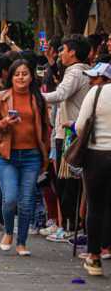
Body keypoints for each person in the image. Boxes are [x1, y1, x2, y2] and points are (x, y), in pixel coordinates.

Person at [0, 59, 51, 256]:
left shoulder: (38, 99)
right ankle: (8, 231)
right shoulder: (1, 97)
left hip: (32, 156)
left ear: (31, 76)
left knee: (26, 201)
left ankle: (22, 242)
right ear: (11, 77)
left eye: (25, 73)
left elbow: (46, 129)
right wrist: (4, 122)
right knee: (10, 199)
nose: (21, 77)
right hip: (7, 155)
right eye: (17, 74)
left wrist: (46, 154)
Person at [42, 35, 91, 242]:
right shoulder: (79, 71)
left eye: (63, 50)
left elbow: (59, 95)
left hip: (70, 135)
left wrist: (32, 96)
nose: (60, 53)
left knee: (67, 184)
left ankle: (69, 227)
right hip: (68, 133)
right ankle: (67, 225)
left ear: (72, 52)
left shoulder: (76, 72)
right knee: (65, 183)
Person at [75, 62, 111, 276]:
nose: (90, 82)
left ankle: (94, 256)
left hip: (97, 155)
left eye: (94, 78)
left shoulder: (96, 93)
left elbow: (80, 126)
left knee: (95, 206)